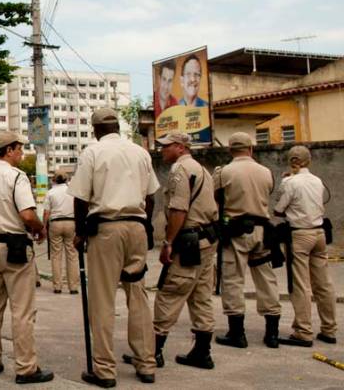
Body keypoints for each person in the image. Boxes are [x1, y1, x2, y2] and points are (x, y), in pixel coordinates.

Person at [68, 108, 159, 387]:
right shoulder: (140, 152)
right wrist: (146, 228)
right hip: (137, 226)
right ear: (117, 127)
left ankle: (105, 371)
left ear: (95, 129)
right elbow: (151, 196)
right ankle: (146, 363)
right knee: (138, 296)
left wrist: (81, 233)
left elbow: (81, 199)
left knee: (103, 300)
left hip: (106, 228)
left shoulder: (92, 153)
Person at [0, 131, 53, 384]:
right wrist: (40, 229)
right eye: (19, 149)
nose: (22, 153)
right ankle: (26, 368)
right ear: (9, 150)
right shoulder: (16, 177)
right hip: (15, 247)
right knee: (22, 311)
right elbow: (28, 215)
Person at [130, 132, 218, 371]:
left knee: (170, 293)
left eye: (167, 147)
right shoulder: (201, 169)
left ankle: (152, 351)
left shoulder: (181, 171)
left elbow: (179, 210)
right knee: (201, 296)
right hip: (207, 239)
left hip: (188, 241)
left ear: (180, 147)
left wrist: (168, 241)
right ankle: (202, 351)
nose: (162, 150)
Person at [213, 132, 281, 349]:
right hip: (263, 231)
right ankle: (272, 333)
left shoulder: (224, 172)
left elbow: (216, 198)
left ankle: (237, 333)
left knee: (233, 280)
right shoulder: (266, 172)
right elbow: (268, 192)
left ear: (230, 150)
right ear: (251, 148)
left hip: (236, 231)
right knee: (266, 279)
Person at [273, 146, 337, 346]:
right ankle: (329, 329)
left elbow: (278, 209)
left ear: (290, 160)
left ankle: (303, 330)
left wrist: (287, 181)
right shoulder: (317, 181)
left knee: (300, 284)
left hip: (300, 234)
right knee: (323, 284)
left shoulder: (289, 182)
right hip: (319, 233)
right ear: (308, 160)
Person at [45, 173, 78, 295]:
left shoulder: (50, 192)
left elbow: (46, 212)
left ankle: (57, 286)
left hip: (56, 223)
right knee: (72, 255)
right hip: (71, 223)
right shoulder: (72, 191)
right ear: (66, 180)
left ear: (53, 180)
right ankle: (73, 287)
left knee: (56, 256)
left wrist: (43, 227)